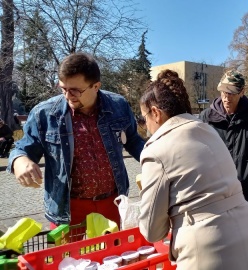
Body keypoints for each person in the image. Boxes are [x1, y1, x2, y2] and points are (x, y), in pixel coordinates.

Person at [138, 69, 248, 270]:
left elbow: (152, 231)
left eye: (144, 116)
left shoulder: (156, 150)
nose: (145, 125)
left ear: (156, 112)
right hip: (247, 231)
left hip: (207, 246)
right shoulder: (206, 129)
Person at [7, 52, 145, 227]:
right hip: (68, 208)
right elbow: (22, 147)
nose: (68, 95)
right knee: (69, 255)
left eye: (75, 90)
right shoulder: (44, 113)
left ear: (96, 86)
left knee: (113, 253)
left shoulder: (118, 105)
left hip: (112, 202)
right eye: (63, 88)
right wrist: (19, 161)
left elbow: (133, 140)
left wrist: (156, 159)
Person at [199, 70, 248, 215]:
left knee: (246, 235)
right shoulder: (206, 118)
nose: (227, 98)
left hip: (245, 190)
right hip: (214, 192)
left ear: (242, 92)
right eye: (223, 92)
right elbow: (197, 152)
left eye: (232, 93)